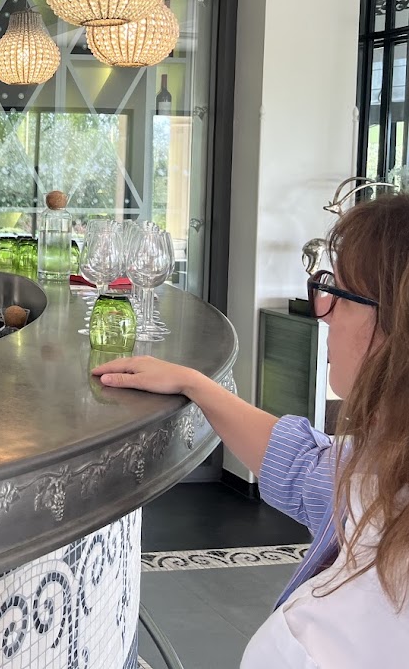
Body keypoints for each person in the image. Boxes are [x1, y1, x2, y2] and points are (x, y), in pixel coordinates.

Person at [92, 193, 409, 667]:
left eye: (335, 294)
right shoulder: (386, 468)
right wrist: (194, 384)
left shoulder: (357, 616)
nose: (322, 314)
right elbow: (307, 468)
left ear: (393, 326)